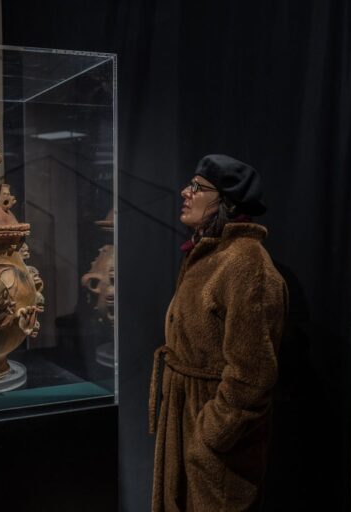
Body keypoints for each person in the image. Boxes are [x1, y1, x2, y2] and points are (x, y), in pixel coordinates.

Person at [149, 154, 288, 511]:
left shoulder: (246, 264)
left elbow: (253, 374)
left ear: (225, 200)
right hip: (185, 416)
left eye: (197, 187)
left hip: (213, 436)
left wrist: (210, 436)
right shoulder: (211, 254)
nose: (185, 192)